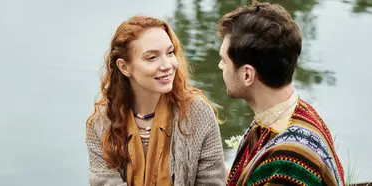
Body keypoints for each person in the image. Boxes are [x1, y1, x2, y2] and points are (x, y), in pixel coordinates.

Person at [85, 15, 227, 186]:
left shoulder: (198, 113)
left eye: (170, 53)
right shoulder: (101, 122)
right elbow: (104, 182)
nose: (167, 65)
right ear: (124, 67)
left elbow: (212, 182)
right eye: (152, 57)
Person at [216, 1, 345, 186]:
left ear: (247, 75)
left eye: (224, 60)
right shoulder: (294, 114)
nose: (220, 66)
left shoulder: (289, 162)